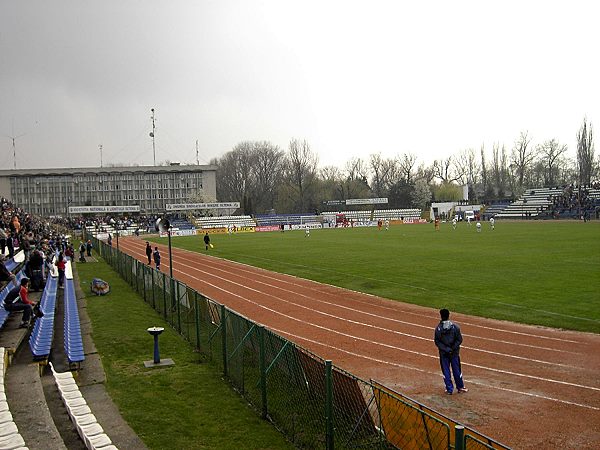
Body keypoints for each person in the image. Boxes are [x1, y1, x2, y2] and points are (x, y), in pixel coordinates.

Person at [434, 308, 468, 395]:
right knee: (457, 370)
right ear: (449, 315)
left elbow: (437, 342)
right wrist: (453, 348)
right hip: (454, 353)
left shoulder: (438, 329)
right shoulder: (455, 327)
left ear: (441, 316)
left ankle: (449, 389)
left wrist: (446, 349)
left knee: (446, 371)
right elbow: (459, 340)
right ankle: (460, 387)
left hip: (444, 354)